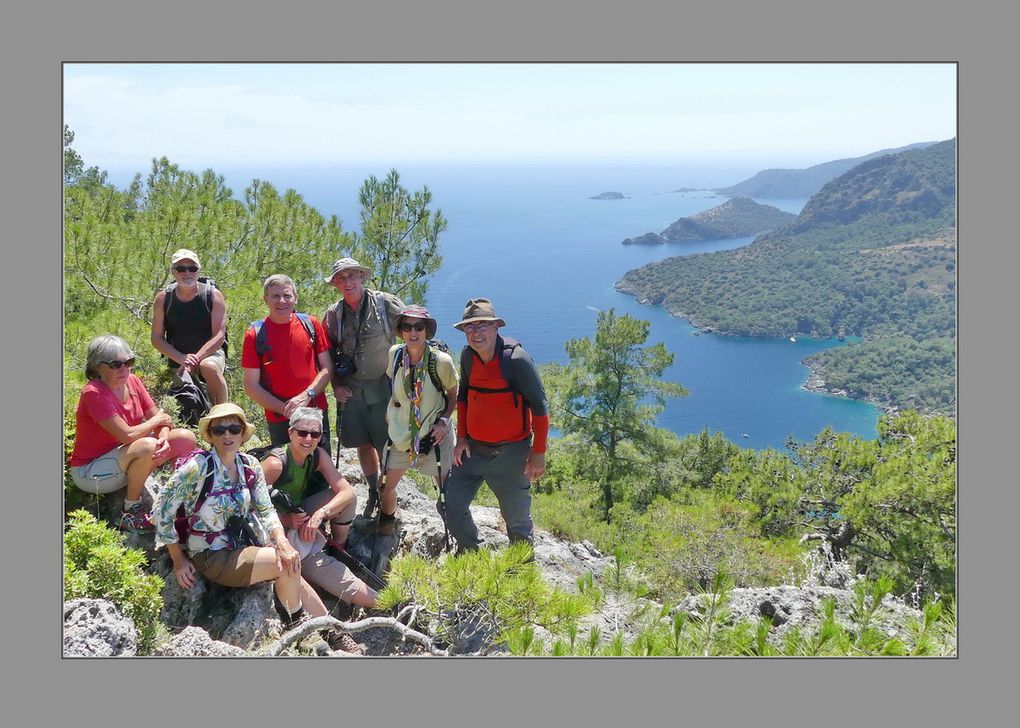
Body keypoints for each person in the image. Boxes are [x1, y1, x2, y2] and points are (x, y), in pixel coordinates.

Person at [153, 403, 328, 627]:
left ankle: (331, 629)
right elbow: (161, 510)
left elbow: (265, 508)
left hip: (246, 544)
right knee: (284, 563)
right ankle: (298, 625)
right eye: (219, 430)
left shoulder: (249, 464)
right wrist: (178, 560)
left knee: (290, 560)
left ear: (243, 434)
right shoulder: (196, 469)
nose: (227, 435)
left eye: (234, 429)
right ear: (210, 436)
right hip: (212, 554)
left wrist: (282, 540)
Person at [445, 298, 549, 552]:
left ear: (495, 328)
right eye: (470, 327)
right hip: (474, 450)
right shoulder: (468, 357)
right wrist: (462, 438)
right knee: (450, 503)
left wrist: (538, 454)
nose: (476, 333)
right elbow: (464, 398)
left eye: (482, 326)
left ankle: (521, 575)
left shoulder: (516, 360)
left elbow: (540, 408)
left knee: (517, 521)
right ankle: (472, 555)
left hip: (511, 454)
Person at [68, 334, 197, 533]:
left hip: (125, 458)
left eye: (128, 362)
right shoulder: (93, 393)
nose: (124, 369)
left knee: (184, 438)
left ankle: (179, 495)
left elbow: (164, 422)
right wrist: (158, 422)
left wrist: (163, 439)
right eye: (115, 364)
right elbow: (128, 435)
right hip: (91, 472)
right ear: (96, 366)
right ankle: (130, 510)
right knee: (147, 446)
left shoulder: (133, 382)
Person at [259, 407, 378, 608]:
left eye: (314, 434)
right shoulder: (275, 464)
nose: (308, 439)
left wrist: (320, 515)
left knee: (345, 500)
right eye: (302, 433)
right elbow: (249, 506)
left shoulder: (317, 455)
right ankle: (381, 602)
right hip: (274, 527)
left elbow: (346, 492)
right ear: (290, 433)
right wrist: (286, 520)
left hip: (298, 512)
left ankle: (338, 548)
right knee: (319, 566)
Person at [322, 257, 404, 516]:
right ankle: (371, 489)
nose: (347, 282)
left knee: (386, 446)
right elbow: (328, 354)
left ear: (361, 276)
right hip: (352, 390)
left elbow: (414, 335)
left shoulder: (385, 304)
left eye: (351, 276)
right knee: (362, 444)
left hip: (384, 388)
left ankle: (387, 493)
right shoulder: (334, 315)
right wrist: (336, 385)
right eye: (341, 278)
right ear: (335, 283)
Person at [373, 305, 458, 536]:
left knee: (445, 486)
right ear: (400, 331)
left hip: (433, 434)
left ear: (426, 331)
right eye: (407, 326)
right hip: (401, 434)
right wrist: (393, 409)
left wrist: (443, 422)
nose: (413, 332)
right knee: (387, 485)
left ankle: (454, 527)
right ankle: (387, 522)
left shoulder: (441, 362)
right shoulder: (396, 354)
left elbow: (453, 394)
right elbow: (393, 383)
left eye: (419, 326)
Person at [242, 274, 333, 451]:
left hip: (315, 410)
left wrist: (308, 395)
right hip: (279, 418)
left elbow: (327, 368)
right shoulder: (255, 335)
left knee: (320, 469)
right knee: (286, 471)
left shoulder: (311, 324)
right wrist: (286, 409)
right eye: (275, 296)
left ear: (295, 299)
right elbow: (250, 385)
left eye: (287, 295)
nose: (282, 301)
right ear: (265, 299)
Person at [150, 248, 228, 405]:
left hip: (209, 354)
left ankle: (223, 415)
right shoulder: (163, 299)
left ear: (198, 271)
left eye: (192, 268)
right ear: (173, 272)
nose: (187, 273)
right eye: (181, 268)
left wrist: (195, 359)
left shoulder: (213, 295)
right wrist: (181, 359)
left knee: (209, 366)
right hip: (178, 358)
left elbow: (219, 336)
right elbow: (156, 338)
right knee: (189, 403)